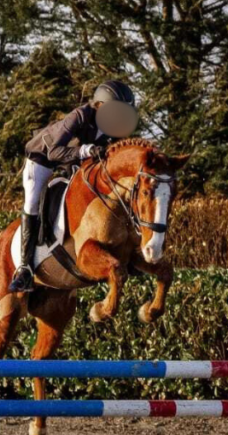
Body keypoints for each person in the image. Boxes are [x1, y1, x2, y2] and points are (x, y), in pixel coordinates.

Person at [8, 80, 139, 293]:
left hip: (72, 164)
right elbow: (54, 153)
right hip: (42, 160)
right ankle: (24, 269)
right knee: (32, 203)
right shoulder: (80, 116)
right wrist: (85, 150)